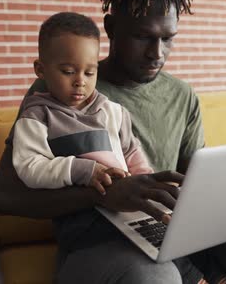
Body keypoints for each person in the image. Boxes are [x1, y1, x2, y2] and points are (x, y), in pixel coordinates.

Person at [0, 0, 226, 284]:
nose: (157, 53)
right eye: (144, 37)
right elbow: (5, 195)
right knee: (155, 276)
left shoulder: (182, 96)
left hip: (170, 231)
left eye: (168, 38)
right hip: (100, 242)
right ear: (111, 28)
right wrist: (101, 193)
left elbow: (194, 180)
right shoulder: (59, 90)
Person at [12, 12, 153, 196]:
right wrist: (84, 171)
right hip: (79, 216)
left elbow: (132, 154)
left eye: (89, 73)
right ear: (40, 69)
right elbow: (29, 167)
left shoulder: (113, 111)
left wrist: (148, 184)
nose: (80, 81)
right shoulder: (37, 116)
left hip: (127, 207)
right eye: (68, 71)